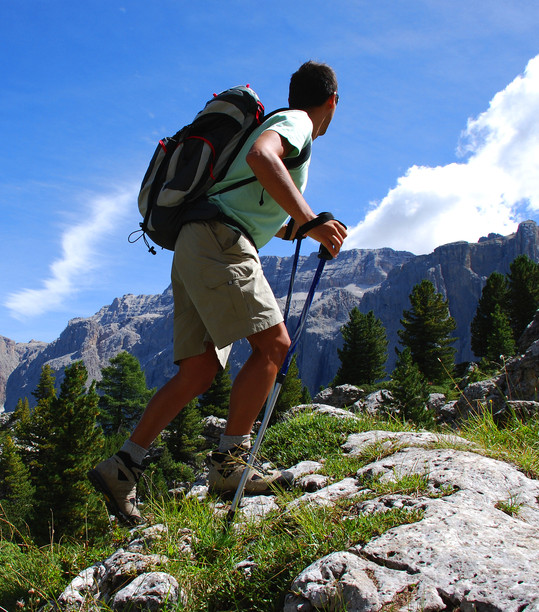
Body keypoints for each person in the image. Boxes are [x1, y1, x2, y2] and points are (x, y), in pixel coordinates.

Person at [89, 60, 348, 524]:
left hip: (196, 240)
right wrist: (312, 220)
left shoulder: (276, 121)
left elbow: (252, 201)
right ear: (332, 101)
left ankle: (122, 467)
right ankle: (230, 466)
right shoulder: (298, 123)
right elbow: (262, 159)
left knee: (200, 370)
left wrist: (301, 230)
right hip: (218, 239)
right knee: (275, 345)